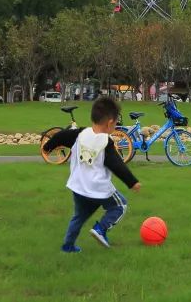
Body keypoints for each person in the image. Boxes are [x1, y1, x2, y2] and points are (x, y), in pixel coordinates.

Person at [42, 96, 141, 252]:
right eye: (116, 123)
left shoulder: (80, 133)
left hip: (79, 187)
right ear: (110, 122)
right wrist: (132, 182)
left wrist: (48, 146)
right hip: (98, 188)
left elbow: (61, 135)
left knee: (79, 217)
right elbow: (117, 165)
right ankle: (101, 229)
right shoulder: (106, 142)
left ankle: (68, 246)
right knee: (120, 205)